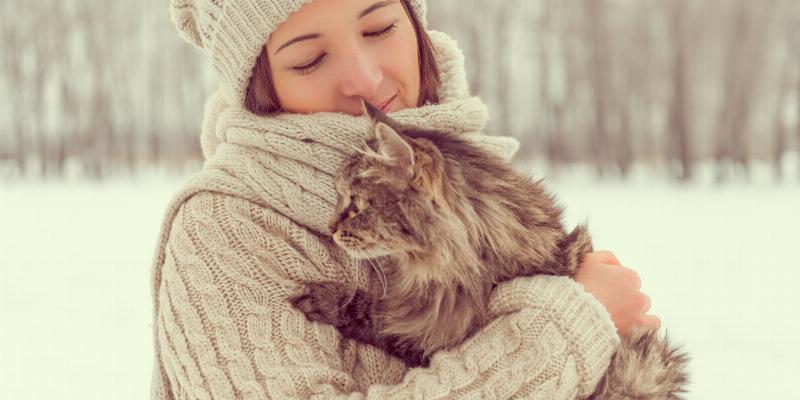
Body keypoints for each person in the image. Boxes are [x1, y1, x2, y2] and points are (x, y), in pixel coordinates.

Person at [151, 0, 660, 398]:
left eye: (378, 29)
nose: (365, 81)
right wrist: (568, 326)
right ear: (260, 88)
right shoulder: (222, 232)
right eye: (309, 60)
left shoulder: (475, 183)